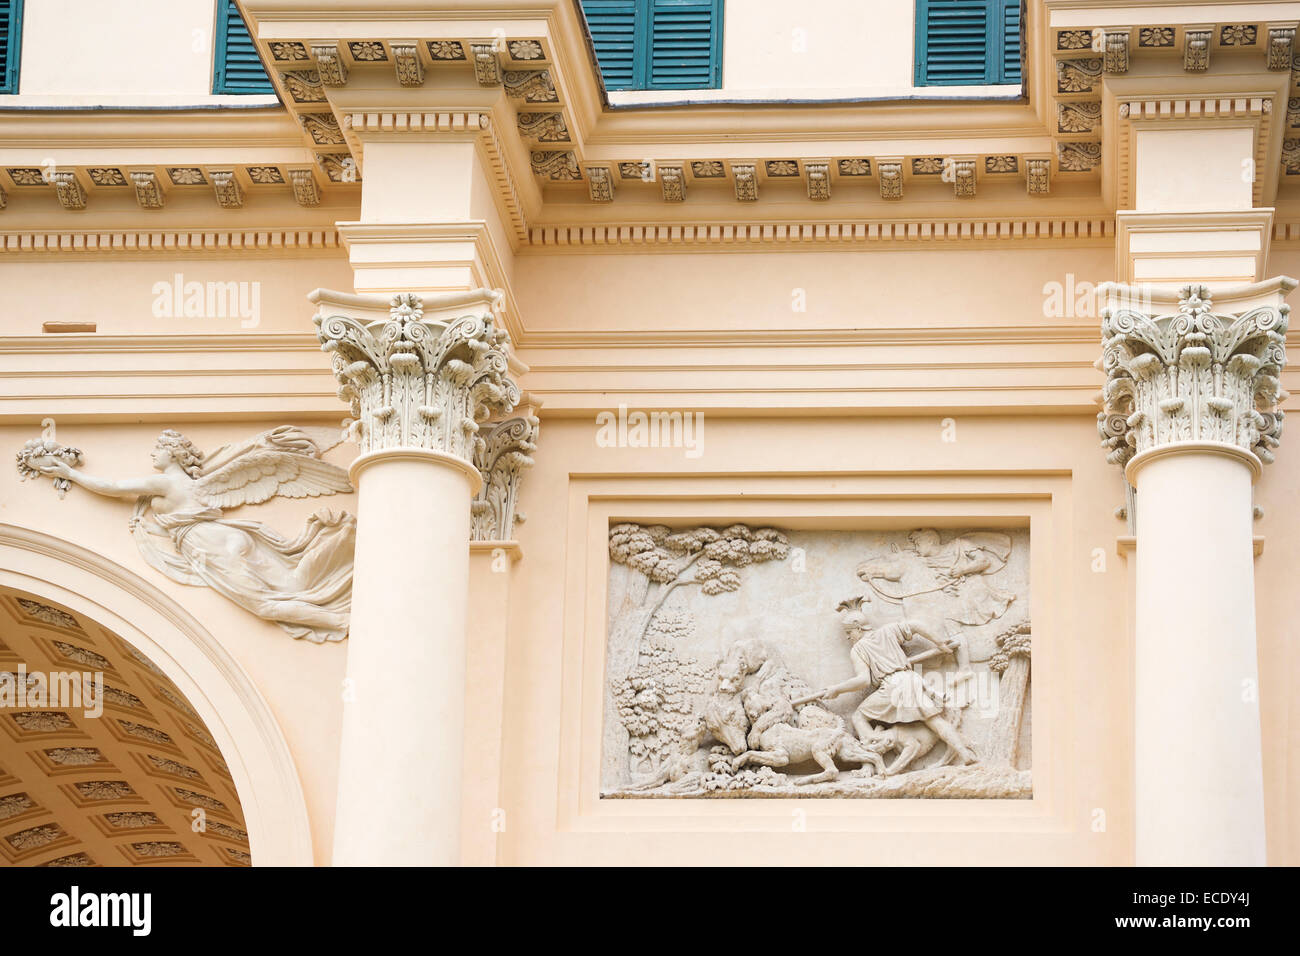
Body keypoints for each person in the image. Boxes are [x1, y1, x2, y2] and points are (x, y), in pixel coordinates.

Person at [807, 595, 977, 766]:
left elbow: (863, 680)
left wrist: (837, 689)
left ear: (858, 628)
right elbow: (916, 625)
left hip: (893, 685)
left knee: (859, 717)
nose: (848, 638)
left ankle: (873, 759)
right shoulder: (888, 631)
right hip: (912, 679)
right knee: (933, 720)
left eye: (849, 632)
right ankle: (964, 753)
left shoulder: (859, 649)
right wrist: (938, 641)